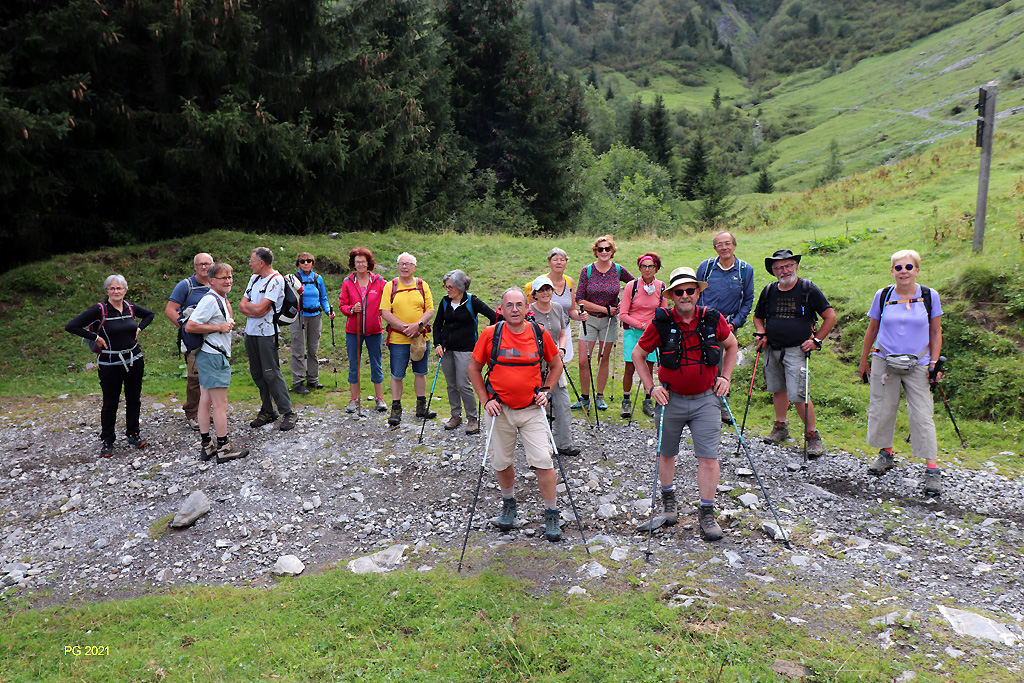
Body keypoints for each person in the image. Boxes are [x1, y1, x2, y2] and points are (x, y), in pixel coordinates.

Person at [633, 267, 738, 541]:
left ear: (698, 292)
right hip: (671, 399)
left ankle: (706, 512)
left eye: (690, 290)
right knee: (666, 453)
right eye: (678, 292)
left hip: (706, 399)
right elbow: (638, 354)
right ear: (671, 295)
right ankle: (669, 504)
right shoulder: (661, 323)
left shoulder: (713, 319)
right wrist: (650, 387)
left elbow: (732, 345)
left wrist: (725, 376)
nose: (684, 296)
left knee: (708, 458)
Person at [469, 287, 566, 542]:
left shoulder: (538, 333)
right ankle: (509, 502)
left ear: (527, 308)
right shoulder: (491, 334)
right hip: (499, 409)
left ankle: (552, 512)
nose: (514, 309)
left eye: (519, 305)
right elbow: (473, 369)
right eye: (509, 305)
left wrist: (547, 390)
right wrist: (485, 400)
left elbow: (556, 364)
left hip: (532, 409)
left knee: (544, 461)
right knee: (501, 462)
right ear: (501, 309)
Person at [857, 249, 944, 495]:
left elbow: (936, 332)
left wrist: (934, 363)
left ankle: (932, 469)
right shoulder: (883, 295)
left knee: (922, 414)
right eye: (898, 268)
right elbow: (872, 329)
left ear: (917, 270)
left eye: (908, 267)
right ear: (892, 271)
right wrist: (864, 362)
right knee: (883, 408)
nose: (903, 272)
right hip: (884, 359)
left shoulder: (929, 296)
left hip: (918, 362)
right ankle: (886, 454)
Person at [752, 249, 836, 457]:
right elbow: (758, 317)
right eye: (779, 267)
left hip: (797, 349)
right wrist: (761, 333)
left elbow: (830, 316)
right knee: (777, 388)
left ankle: (812, 435)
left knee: (799, 393)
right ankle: (781, 427)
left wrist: (816, 341)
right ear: (773, 271)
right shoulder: (769, 290)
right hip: (772, 348)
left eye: (788, 265)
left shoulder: (808, 288)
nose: (785, 270)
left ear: (796, 266)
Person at [66, 274, 155, 458]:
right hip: (110, 363)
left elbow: (149, 314)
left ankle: (133, 434)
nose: (116, 291)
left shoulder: (130, 307)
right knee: (110, 403)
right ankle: (107, 441)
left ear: (125, 290)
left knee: (133, 398)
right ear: (107, 291)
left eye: (119, 288)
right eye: (112, 288)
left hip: (134, 359)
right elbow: (72, 326)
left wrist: (139, 328)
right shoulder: (100, 310)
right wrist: (95, 338)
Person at [183, 263, 248, 463]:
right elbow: (191, 326)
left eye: (230, 277)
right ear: (211, 280)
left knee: (205, 400)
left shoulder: (218, 299)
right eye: (223, 278)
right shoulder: (210, 300)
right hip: (213, 357)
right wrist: (220, 326)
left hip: (208, 355)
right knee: (220, 404)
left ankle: (207, 446)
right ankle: (224, 447)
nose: (228, 281)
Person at [697, 231, 755, 423]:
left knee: (723, 366)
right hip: (705, 322)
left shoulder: (745, 270)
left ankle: (722, 405)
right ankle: (703, 402)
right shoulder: (705, 267)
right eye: (719, 244)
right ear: (715, 248)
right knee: (703, 362)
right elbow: (696, 293)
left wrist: (735, 323)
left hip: (728, 325)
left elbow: (748, 300)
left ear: (734, 245)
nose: (724, 247)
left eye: (727, 243)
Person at [239, 247, 297, 431]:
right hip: (251, 332)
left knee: (271, 372)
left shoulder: (276, 280)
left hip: (267, 333)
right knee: (257, 372)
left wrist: (253, 309)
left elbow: (258, 309)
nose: (249, 264)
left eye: (252, 261)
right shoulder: (254, 278)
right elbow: (242, 306)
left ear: (261, 262)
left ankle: (288, 412)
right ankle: (267, 410)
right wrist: (254, 310)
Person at [434, 269, 496, 435]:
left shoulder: (472, 301)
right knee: (451, 384)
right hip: (446, 349)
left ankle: (472, 418)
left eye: (450, 286)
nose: (447, 289)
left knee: (463, 384)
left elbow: (494, 316)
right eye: (446, 286)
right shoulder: (445, 302)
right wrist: (437, 343)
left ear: (460, 286)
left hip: (467, 349)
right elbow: (437, 325)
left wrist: (486, 337)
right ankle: (455, 415)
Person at [574, 235, 633, 411]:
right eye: (600, 249)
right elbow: (580, 299)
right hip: (589, 319)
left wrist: (623, 305)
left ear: (612, 251)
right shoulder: (587, 271)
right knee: (584, 360)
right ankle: (585, 397)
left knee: (603, 358)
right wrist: (604, 309)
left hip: (609, 322)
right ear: (596, 251)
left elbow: (634, 286)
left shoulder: (618, 270)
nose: (604, 252)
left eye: (607, 249)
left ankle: (599, 396)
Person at [380, 252, 436, 426]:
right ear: (397, 266)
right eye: (401, 263)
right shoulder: (390, 286)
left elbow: (430, 310)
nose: (404, 267)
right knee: (397, 374)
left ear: (414, 267)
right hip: (398, 339)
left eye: (408, 264)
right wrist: (406, 328)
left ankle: (421, 407)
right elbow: (385, 312)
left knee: (421, 372)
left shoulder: (422, 285)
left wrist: (417, 325)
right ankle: (396, 409)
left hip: (420, 338)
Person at [528, 275, 579, 456]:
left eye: (548, 289)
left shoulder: (557, 308)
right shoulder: (529, 313)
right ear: (534, 293)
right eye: (541, 290)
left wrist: (562, 348)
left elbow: (563, 333)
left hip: (555, 363)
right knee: (536, 406)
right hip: (534, 366)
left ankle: (564, 443)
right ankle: (540, 446)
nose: (545, 293)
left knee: (563, 402)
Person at [164, 252, 213, 431]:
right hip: (193, 340)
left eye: (207, 264)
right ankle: (192, 413)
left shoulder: (216, 284)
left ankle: (206, 411)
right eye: (200, 264)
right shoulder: (186, 285)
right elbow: (170, 310)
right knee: (195, 377)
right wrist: (184, 327)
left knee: (211, 376)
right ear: (194, 266)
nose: (204, 267)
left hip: (213, 338)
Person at [338, 247, 388, 413]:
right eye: (357, 261)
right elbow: (342, 305)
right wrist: (352, 309)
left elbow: (388, 300)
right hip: (354, 331)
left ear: (369, 263)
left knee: (376, 363)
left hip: (374, 330)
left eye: (363, 261)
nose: (360, 264)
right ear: (353, 264)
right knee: (354, 364)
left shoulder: (379, 281)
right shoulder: (347, 282)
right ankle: (354, 399)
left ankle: (379, 398)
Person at [619, 252, 666, 419]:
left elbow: (664, 312)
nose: (647, 269)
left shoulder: (661, 287)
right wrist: (641, 325)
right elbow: (623, 313)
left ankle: (648, 400)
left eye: (650, 266)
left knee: (649, 367)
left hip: (652, 333)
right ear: (639, 268)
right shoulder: (632, 286)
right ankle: (626, 400)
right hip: (633, 331)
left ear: (656, 268)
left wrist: (654, 326)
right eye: (643, 266)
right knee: (630, 367)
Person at [290, 252, 335, 395]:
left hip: (316, 316)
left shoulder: (317, 279)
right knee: (298, 350)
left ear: (312, 263)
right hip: (299, 317)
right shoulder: (293, 279)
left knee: (313, 350)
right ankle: (298, 382)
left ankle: (313, 380)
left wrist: (328, 311)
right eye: (302, 261)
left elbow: (323, 297)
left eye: (308, 260)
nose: (305, 263)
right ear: (298, 264)